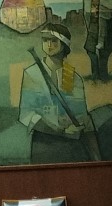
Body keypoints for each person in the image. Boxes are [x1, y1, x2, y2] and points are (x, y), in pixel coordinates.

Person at [18, 22, 103, 163]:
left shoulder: (71, 76)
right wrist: (59, 130)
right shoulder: (32, 73)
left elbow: (80, 114)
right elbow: (26, 114)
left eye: (54, 41)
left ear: (64, 44)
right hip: (44, 143)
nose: (49, 44)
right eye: (45, 40)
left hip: (71, 144)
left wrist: (77, 128)